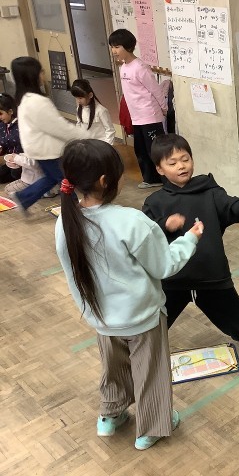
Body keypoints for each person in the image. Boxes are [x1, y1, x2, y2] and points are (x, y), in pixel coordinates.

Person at [55, 139, 203, 450]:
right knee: (150, 373)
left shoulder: (65, 222)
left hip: (102, 319)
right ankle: (151, 428)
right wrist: (188, 239)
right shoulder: (130, 220)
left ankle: (110, 416)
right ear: (105, 181)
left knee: (114, 369)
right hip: (142, 317)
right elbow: (164, 265)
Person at [142, 134, 239, 358]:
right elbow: (144, 233)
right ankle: (142, 349)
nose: (181, 166)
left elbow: (232, 205)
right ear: (159, 169)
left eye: (185, 159)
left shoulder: (209, 191)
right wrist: (164, 225)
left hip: (211, 274)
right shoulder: (154, 201)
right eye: (172, 163)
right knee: (154, 321)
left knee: (237, 318)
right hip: (172, 278)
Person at [10, 57, 88, 211]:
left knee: (53, 177)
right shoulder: (37, 102)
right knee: (64, 179)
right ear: (32, 76)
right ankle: (74, 209)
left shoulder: (24, 99)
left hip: (38, 148)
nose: (43, 74)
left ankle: (23, 198)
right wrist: (84, 135)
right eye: (41, 71)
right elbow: (59, 127)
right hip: (47, 150)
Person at [109, 29, 167, 189]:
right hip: (137, 117)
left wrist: (164, 107)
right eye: (112, 47)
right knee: (140, 150)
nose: (114, 51)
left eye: (117, 47)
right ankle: (150, 179)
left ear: (128, 47)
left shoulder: (140, 67)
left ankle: (166, 181)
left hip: (150, 115)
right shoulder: (123, 67)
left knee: (154, 150)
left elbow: (155, 90)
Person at [70, 79, 115, 144]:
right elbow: (79, 125)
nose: (78, 101)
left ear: (90, 95)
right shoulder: (79, 109)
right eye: (76, 98)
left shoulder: (101, 110)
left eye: (80, 98)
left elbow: (110, 130)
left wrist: (107, 146)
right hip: (86, 143)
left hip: (101, 144)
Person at [0, 92, 22, 185]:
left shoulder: (21, 125)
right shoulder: (2, 125)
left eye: (1, 114)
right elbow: (4, 143)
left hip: (22, 161)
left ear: (10, 112)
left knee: (15, 173)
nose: (0, 117)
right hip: (9, 160)